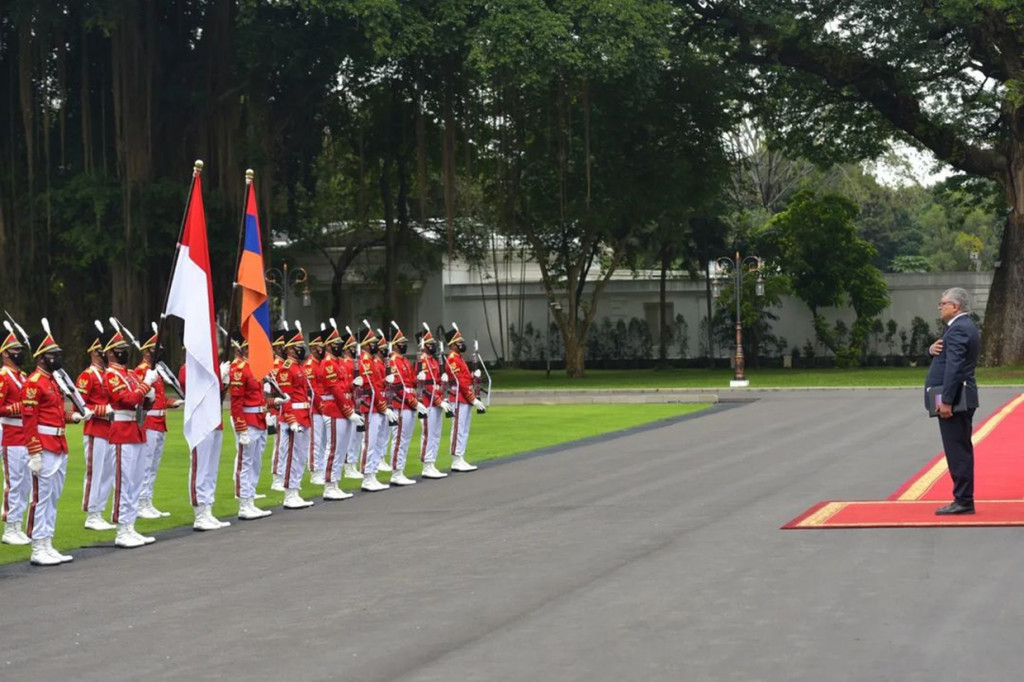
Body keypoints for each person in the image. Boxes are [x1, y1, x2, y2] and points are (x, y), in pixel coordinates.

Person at [23, 327, 89, 565]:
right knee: (40, 498)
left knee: (53, 497)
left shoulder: (54, 381)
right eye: (52, 354)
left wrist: (74, 417)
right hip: (44, 446)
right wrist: (34, 451)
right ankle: (37, 546)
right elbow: (29, 420)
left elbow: (56, 413)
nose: (57, 358)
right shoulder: (34, 383)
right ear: (41, 357)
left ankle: (47, 542)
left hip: (59, 444)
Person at [926, 286, 981, 515]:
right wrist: (931, 351)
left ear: (955, 306)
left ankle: (963, 500)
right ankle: (963, 498)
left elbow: (955, 367)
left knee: (957, 450)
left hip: (956, 399)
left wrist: (946, 400)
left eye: (943, 304)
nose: (940, 307)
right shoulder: (960, 328)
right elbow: (948, 358)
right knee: (959, 448)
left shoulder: (958, 329)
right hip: (959, 396)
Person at [103, 328, 159, 548]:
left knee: (136, 481)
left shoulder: (130, 374)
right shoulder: (111, 375)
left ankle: (130, 525)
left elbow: (141, 401)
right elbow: (126, 399)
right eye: (119, 350)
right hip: (122, 431)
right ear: (110, 353)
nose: (124, 353)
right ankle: (121, 529)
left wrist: (149, 396)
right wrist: (147, 385)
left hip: (136, 429)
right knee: (124, 482)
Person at [135, 328, 183, 519]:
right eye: (156, 349)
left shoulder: (157, 371)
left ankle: (148, 500)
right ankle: (140, 502)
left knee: (153, 466)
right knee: (145, 465)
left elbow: (160, 398)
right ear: (147, 351)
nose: (160, 351)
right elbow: (142, 398)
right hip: (149, 422)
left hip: (160, 421)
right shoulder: (141, 371)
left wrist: (172, 403)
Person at [179, 361, 231, 530]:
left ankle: (207, 508)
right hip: (201, 423)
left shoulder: (209, 368)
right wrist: (216, 375)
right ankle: (199, 513)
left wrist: (223, 382)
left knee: (211, 469)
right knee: (199, 468)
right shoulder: (187, 369)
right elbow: (195, 390)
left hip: (215, 420)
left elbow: (217, 395)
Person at [228, 333, 274, 519]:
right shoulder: (239, 369)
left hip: (259, 418)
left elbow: (259, 396)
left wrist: (272, 403)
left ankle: (251, 498)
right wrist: (241, 428)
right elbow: (236, 402)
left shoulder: (255, 367)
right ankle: (244, 504)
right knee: (245, 462)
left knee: (255, 461)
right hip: (247, 420)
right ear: (244, 349)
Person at [76, 325, 116, 531]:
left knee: (108, 473)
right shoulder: (87, 376)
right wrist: (102, 409)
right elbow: (79, 405)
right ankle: (91, 514)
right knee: (95, 472)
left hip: (110, 430)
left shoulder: (108, 374)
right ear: (93, 352)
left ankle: (100, 510)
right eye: (101, 351)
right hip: (95, 430)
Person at [319, 326, 361, 500]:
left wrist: (353, 385)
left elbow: (343, 387)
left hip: (343, 407)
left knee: (341, 449)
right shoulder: (328, 363)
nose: (338, 345)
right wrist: (348, 410)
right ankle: (329, 485)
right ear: (328, 346)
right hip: (335, 409)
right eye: (335, 343)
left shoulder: (338, 363)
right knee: (334, 448)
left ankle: (335, 483)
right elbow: (334, 389)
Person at [385, 325, 428, 485]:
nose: (404, 344)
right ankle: (396, 472)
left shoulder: (404, 361)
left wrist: (419, 378)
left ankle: (400, 469)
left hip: (408, 403)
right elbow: (399, 387)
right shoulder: (394, 361)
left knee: (405, 438)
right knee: (399, 439)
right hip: (402, 403)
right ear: (395, 344)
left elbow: (410, 382)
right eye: (402, 342)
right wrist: (414, 402)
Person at [0, 329, 32, 544]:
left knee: (26, 483)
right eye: (14, 350)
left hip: (26, 433)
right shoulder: (3, 377)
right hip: (11, 434)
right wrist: (20, 407)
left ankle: (17, 524)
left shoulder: (22, 376)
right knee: (14, 481)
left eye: (20, 349)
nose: (19, 353)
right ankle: (10, 527)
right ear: (5, 353)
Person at [278, 328, 315, 509]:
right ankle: (289, 493)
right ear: (290, 349)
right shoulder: (286, 369)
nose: (302, 349)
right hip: (295, 418)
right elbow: (286, 398)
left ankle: (295, 489)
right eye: (299, 346)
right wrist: (291, 420)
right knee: (292, 456)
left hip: (305, 416)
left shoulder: (299, 367)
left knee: (300, 456)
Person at [443, 327, 486, 472]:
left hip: (464, 397)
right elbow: (460, 381)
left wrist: (475, 375)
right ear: (453, 344)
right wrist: (473, 399)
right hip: (458, 397)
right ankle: (456, 459)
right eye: (459, 342)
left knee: (464, 429)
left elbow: (466, 379)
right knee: (458, 429)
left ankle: (460, 456)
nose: (462, 344)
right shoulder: (452, 359)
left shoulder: (459, 358)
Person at [357, 328, 393, 492]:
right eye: (372, 343)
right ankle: (367, 476)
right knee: (370, 442)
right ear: (365, 344)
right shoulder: (364, 361)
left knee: (376, 441)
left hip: (376, 405)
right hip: (370, 406)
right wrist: (383, 406)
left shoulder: (370, 360)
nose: (375, 346)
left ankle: (372, 473)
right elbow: (371, 387)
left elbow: (378, 385)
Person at [415, 328, 452, 479]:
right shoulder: (423, 360)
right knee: (428, 433)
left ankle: (432, 462)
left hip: (436, 400)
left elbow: (436, 382)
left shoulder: (433, 360)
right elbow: (425, 386)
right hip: (427, 401)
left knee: (436, 434)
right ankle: (427, 464)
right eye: (430, 343)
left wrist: (443, 387)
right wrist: (438, 400)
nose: (433, 345)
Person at [304, 328, 328, 485]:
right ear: (312, 348)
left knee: (325, 441)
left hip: (325, 406)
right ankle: (314, 471)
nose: (322, 349)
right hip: (315, 407)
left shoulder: (322, 363)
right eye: (319, 346)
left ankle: (322, 469)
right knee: (316, 441)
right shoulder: (309, 365)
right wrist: (321, 406)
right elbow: (311, 391)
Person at [269, 329, 289, 492]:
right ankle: (277, 477)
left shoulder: (285, 364)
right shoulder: (275, 365)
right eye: (281, 346)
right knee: (280, 446)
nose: (283, 348)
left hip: (287, 409)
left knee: (287, 446)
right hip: (277, 410)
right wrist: (270, 412)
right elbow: (271, 390)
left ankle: (284, 475)